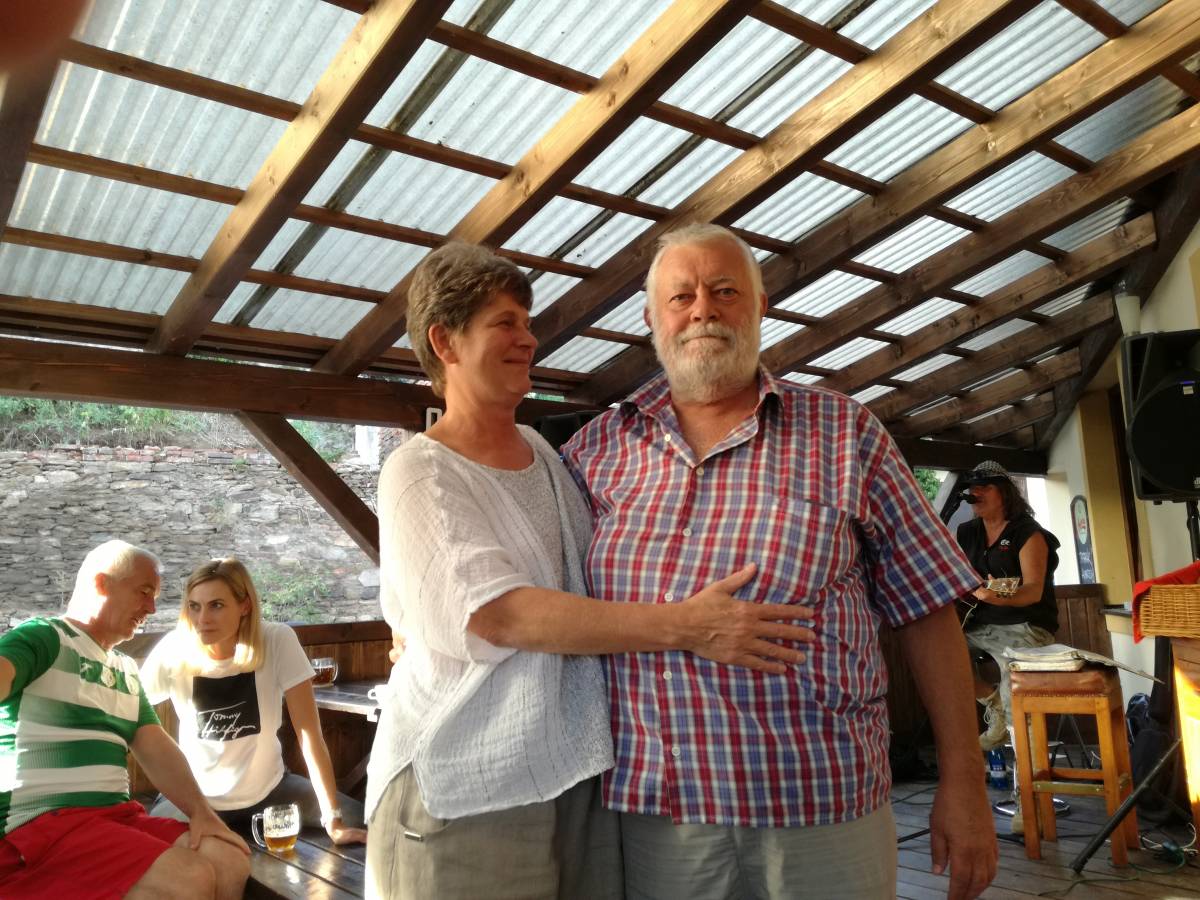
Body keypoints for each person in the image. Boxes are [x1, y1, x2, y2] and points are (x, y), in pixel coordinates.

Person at [366, 242, 817, 900]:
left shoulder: (552, 456)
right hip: (467, 783)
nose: (528, 338)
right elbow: (500, 614)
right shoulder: (420, 470)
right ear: (445, 341)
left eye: (527, 322)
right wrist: (690, 626)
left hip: (575, 774)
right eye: (504, 323)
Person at [562, 224, 998, 900]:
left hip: (822, 804)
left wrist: (964, 783)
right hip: (660, 814)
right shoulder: (596, 451)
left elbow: (927, 609)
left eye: (724, 291)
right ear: (651, 319)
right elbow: (555, 605)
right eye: (680, 297)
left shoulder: (846, 431)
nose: (702, 310)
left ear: (760, 307)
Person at [0, 540, 249, 900]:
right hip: (41, 825)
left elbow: (157, 748)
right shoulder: (43, 637)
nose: (151, 607)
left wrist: (202, 813)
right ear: (101, 583)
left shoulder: (126, 670)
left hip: (114, 818)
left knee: (229, 860)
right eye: (144, 592)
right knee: (187, 878)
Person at [140, 558, 367, 844]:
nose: (202, 619)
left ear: (245, 606)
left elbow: (309, 735)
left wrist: (333, 820)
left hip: (272, 792)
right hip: (196, 800)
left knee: (369, 822)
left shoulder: (276, 639)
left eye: (216, 605)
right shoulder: (174, 649)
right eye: (194, 606)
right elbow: (128, 717)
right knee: (155, 845)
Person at [956, 460, 1060, 751]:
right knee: (942, 654)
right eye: (971, 488)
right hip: (980, 623)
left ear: (1004, 492)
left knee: (1015, 685)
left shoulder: (1028, 533)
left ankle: (1029, 765)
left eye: (983, 487)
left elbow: (1032, 591)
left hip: (1026, 624)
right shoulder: (966, 532)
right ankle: (995, 706)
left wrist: (996, 596)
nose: (975, 493)